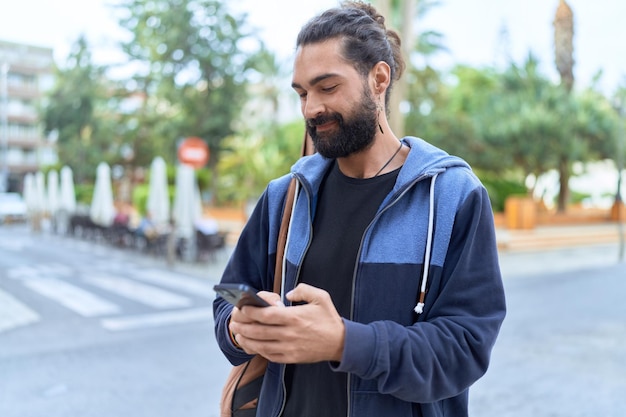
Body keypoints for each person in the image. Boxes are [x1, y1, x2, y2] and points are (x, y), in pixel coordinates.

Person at [213, 2, 506, 416]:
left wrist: (344, 343)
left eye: (327, 87)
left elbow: (465, 348)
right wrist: (238, 330)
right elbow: (227, 297)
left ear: (378, 79)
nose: (311, 108)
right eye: (302, 93)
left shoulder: (454, 196)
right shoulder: (285, 196)